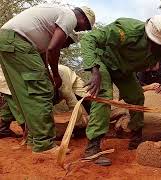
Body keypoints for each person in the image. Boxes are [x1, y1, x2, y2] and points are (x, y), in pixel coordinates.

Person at [80, 15, 161, 166]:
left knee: (137, 97)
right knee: (104, 97)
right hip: (104, 63)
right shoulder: (126, 30)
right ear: (147, 34)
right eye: (154, 42)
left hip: (124, 71)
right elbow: (89, 39)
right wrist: (94, 70)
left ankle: (136, 136)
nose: (157, 47)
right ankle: (92, 148)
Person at [0, 4, 95, 154]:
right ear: (82, 17)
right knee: (42, 93)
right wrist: (56, 76)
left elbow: (43, 56)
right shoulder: (69, 16)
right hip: (17, 42)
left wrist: (49, 76)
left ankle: (34, 140)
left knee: (27, 93)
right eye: (86, 26)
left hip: (6, 40)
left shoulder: (42, 33)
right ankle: (44, 145)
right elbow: (52, 49)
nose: (82, 30)